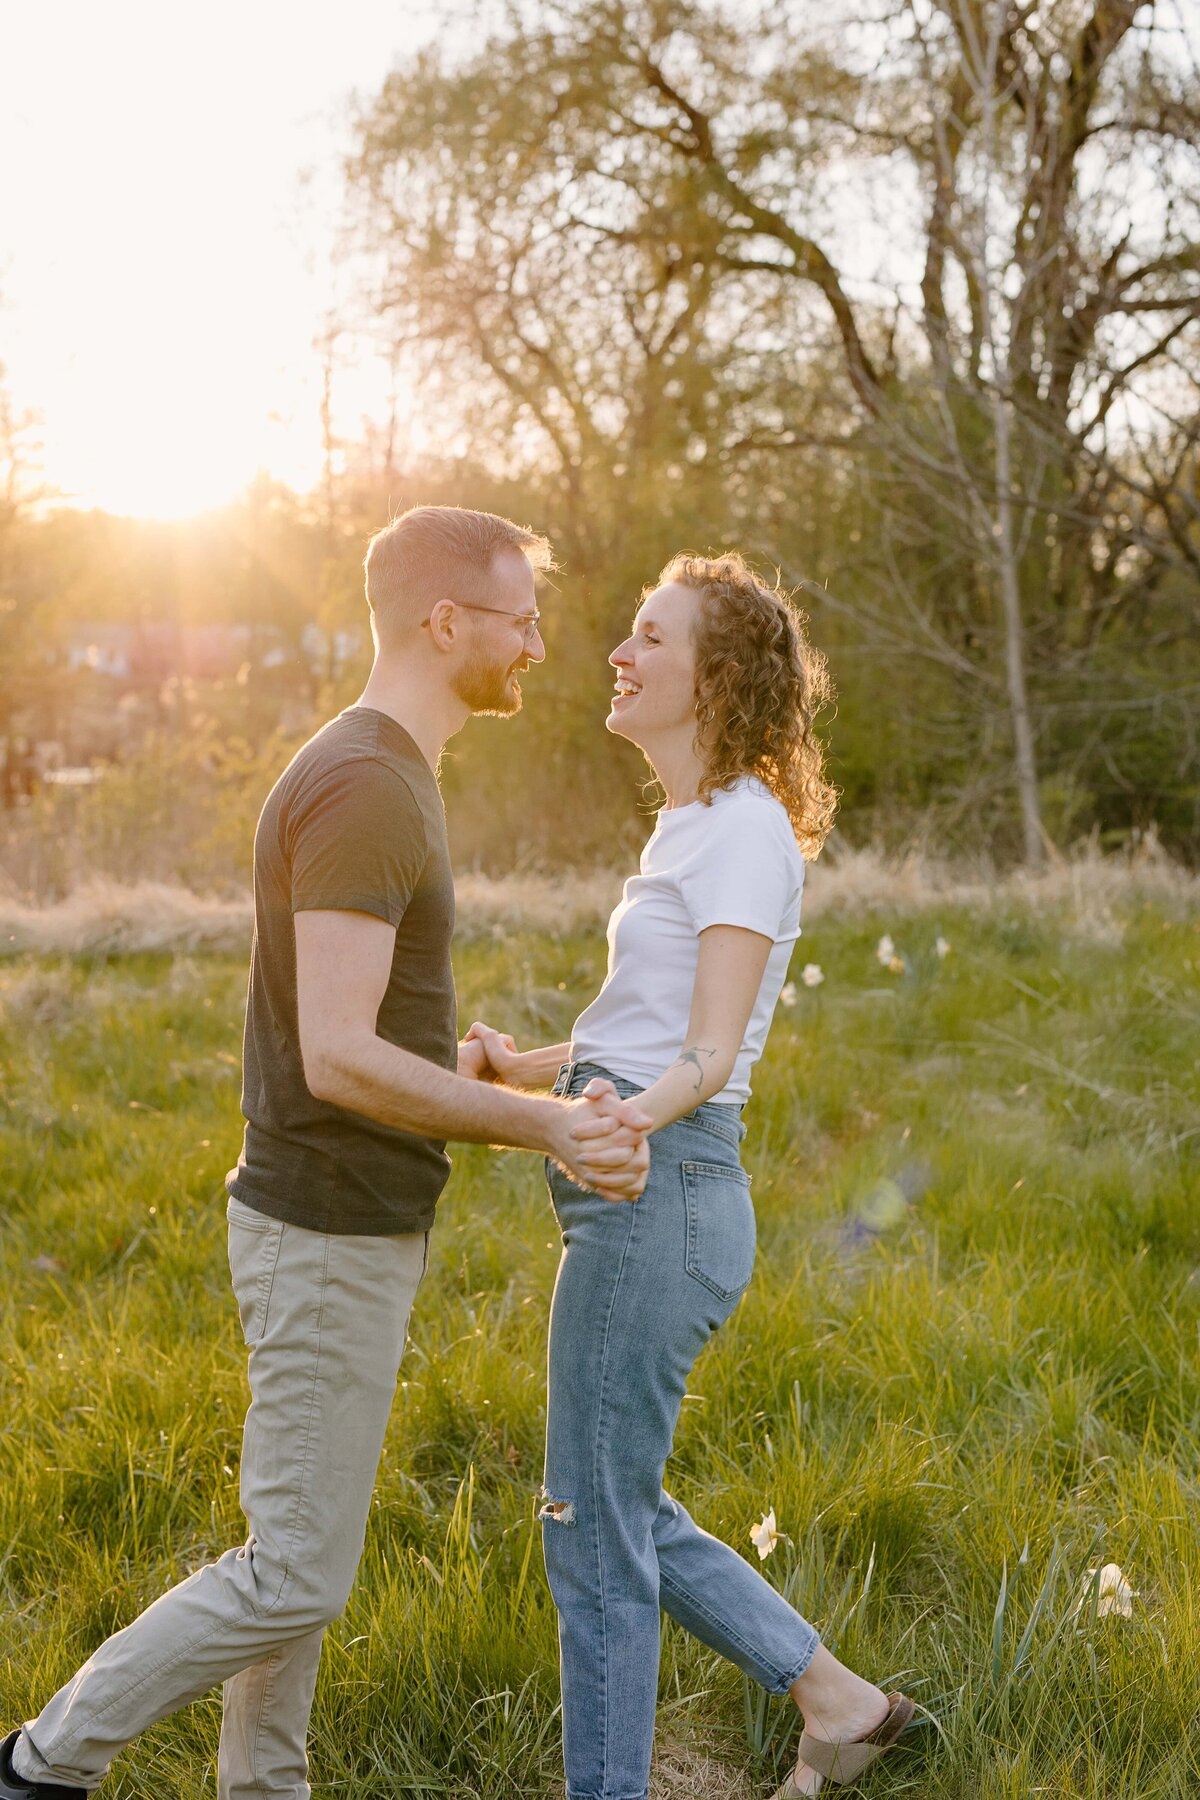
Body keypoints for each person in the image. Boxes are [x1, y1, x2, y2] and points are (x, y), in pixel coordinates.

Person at [1, 505, 651, 1800]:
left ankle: (265, 1789)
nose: (535, 641)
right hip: (325, 1226)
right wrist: (546, 1129)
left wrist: (466, 1065)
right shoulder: (367, 783)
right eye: (518, 615)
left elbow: (367, 1032)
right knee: (296, 1567)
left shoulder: (388, 768)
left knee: (293, 1548)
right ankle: (41, 1763)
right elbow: (336, 1057)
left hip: (349, 1214)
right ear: (444, 620)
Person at [466, 553, 914, 1800]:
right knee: (609, 1504)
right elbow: (647, 1035)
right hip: (642, 1183)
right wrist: (531, 1069)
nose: (618, 651)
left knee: (591, 1539)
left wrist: (615, 1123)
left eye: (649, 637)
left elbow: (706, 1060)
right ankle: (842, 1704)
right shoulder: (697, 824)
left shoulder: (746, 831)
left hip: (665, 1192)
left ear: (715, 677)